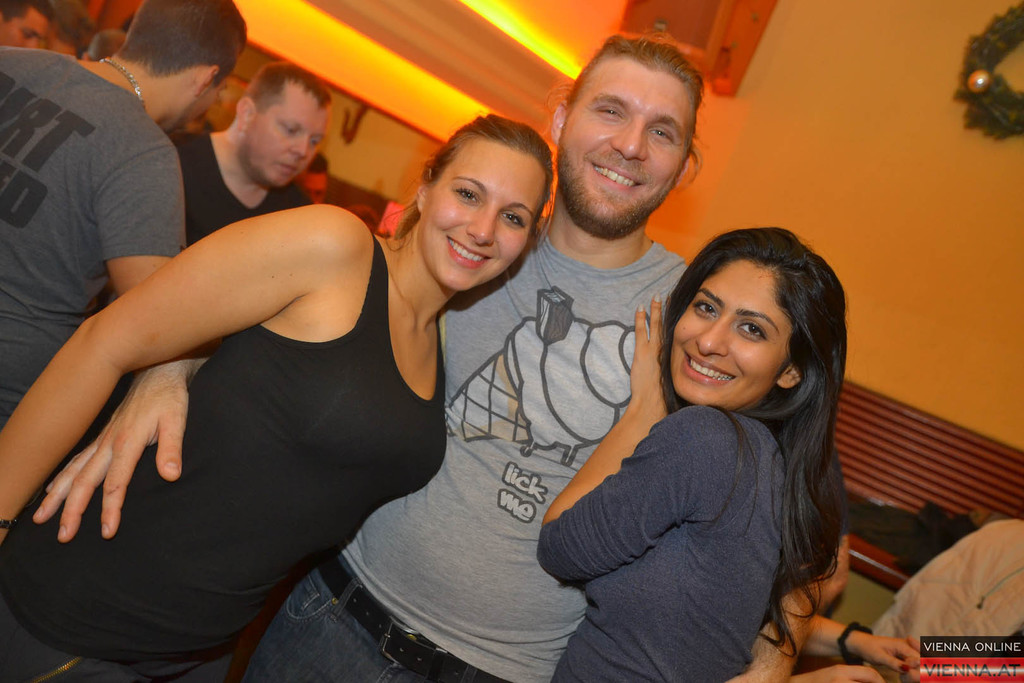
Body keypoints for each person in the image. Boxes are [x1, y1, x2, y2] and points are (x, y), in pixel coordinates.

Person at [33, 34, 837, 682]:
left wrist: (770, 662)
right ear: (562, 118)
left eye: (662, 132)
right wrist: (167, 367)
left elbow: (799, 520)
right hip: (332, 622)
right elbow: (262, 303)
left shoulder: (696, 316)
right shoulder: (470, 245)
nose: (630, 145)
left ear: (685, 164)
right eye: (610, 110)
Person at [0, 114, 553, 681]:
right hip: (75, 610)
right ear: (426, 185)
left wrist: (180, 361)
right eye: (468, 194)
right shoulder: (335, 248)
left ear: (529, 240)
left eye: (513, 217)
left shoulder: (446, 341)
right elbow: (103, 342)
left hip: (201, 651)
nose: (483, 229)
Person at [536, 227, 847, 681]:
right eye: (706, 307)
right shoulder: (774, 458)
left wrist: (642, 411)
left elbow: (560, 549)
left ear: (791, 372)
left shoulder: (703, 438)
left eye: (752, 329)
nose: (709, 341)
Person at [0, 0, 247, 431]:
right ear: (205, 78)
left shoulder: (11, 62)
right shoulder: (145, 151)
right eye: (220, 88)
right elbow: (155, 320)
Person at [175, 61, 331, 245]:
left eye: (314, 141)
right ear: (247, 113)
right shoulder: (172, 162)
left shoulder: (299, 216)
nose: (303, 151)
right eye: (291, 130)